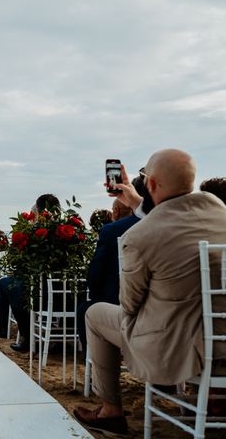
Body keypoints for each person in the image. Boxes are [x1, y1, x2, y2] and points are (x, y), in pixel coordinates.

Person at [74, 149, 226, 434]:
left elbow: (129, 305)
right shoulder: (218, 212)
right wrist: (134, 200)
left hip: (177, 350)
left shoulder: (139, 237)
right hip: (222, 345)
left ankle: (110, 411)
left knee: (94, 313)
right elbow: (176, 214)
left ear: (152, 184)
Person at [76, 176, 150, 350]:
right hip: (162, 310)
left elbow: (95, 273)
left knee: (87, 310)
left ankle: (95, 368)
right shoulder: (171, 225)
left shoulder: (112, 231)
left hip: (119, 304)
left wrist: (96, 296)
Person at [0, 194, 61, 350]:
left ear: (39, 212)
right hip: (64, 292)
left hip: (39, 292)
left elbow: (15, 260)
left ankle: (23, 334)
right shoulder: (67, 230)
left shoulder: (34, 232)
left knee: (7, 284)